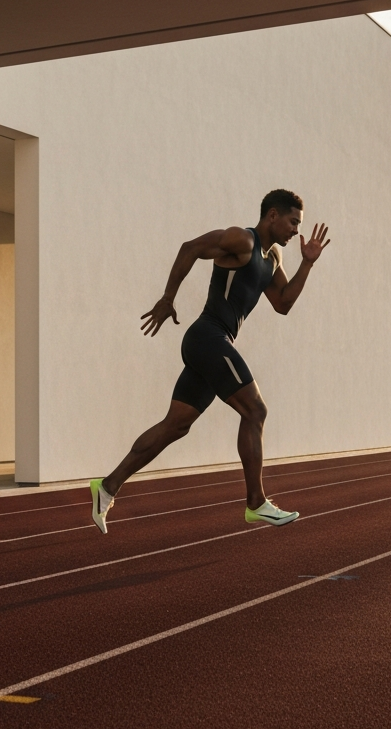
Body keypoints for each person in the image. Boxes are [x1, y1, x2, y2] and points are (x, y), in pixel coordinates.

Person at [89, 189, 330, 534]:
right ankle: (256, 503)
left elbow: (283, 303)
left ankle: (108, 487)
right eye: (293, 222)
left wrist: (307, 263)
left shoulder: (272, 258)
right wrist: (167, 298)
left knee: (176, 425)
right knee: (255, 411)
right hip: (207, 338)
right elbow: (191, 248)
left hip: (213, 344)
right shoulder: (241, 240)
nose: (296, 231)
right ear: (273, 215)